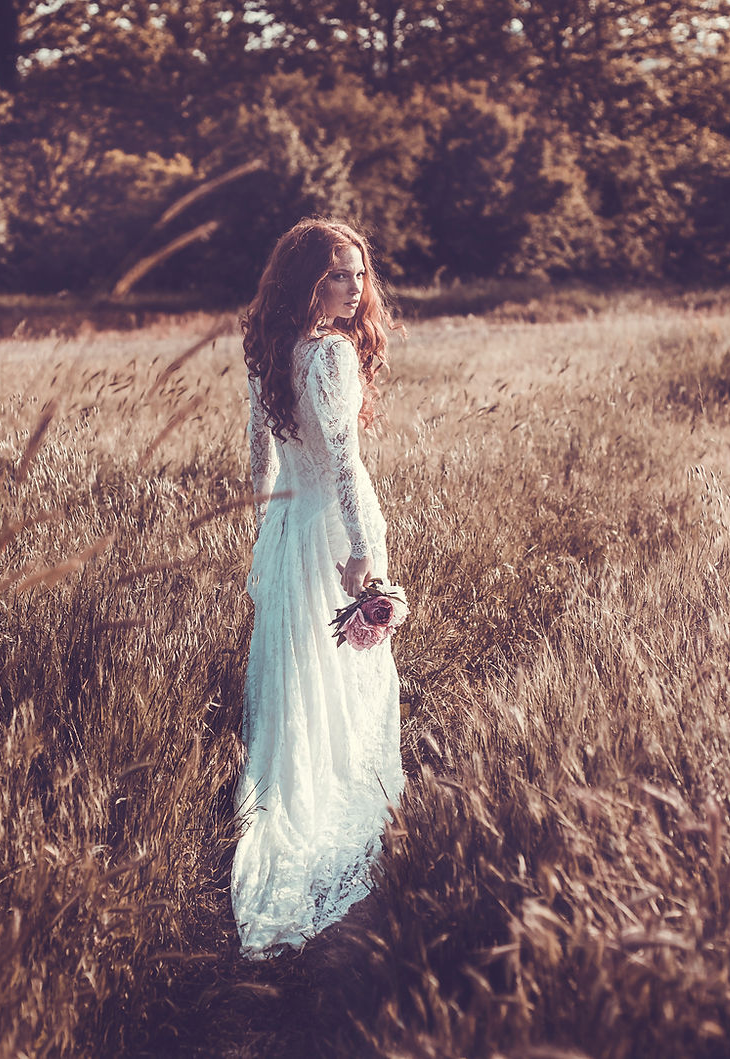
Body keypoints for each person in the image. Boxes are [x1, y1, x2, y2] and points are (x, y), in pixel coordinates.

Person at [232, 217, 405, 958]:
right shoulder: (330, 353)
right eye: (338, 273)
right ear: (306, 277)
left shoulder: (267, 347)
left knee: (296, 676)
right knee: (338, 676)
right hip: (331, 534)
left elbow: (259, 461)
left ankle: (292, 786)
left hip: (288, 531)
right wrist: (364, 555)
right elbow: (343, 462)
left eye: (359, 273)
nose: (352, 287)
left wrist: (264, 538)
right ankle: (328, 797)